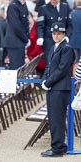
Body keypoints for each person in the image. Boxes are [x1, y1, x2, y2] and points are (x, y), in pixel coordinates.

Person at [41, 22, 75, 157]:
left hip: (60, 88)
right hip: (53, 87)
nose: (56, 36)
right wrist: (44, 80)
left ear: (64, 34)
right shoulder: (54, 47)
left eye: (59, 33)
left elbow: (62, 69)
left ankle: (57, 148)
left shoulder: (66, 48)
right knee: (53, 118)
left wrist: (48, 82)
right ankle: (59, 145)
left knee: (57, 119)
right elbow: (49, 67)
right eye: (54, 33)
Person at [36, 0, 72, 65]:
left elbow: (69, 25)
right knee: (50, 63)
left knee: (62, 63)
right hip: (49, 41)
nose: (54, 1)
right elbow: (40, 25)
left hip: (62, 40)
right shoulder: (43, 8)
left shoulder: (65, 7)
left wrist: (67, 36)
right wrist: (40, 37)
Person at [3, 0, 29, 70]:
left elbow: (25, 23)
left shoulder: (23, 5)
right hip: (14, 42)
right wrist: (25, 39)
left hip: (20, 41)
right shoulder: (13, 6)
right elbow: (16, 26)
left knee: (20, 67)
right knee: (16, 68)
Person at [27, 12, 45, 77]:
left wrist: (30, 56)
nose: (27, 20)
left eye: (29, 18)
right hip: (30, 56)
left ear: (32, 18)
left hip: (38, 55)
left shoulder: (37, 28)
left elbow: (38, 46)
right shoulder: (24, 28)